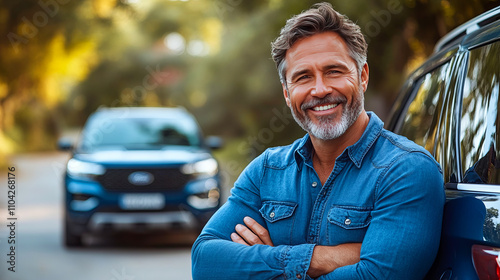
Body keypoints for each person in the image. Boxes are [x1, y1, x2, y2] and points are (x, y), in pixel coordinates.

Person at [191, 2, 445, 279]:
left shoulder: (406, 170)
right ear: (288, 94)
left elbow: (377, 276)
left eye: (334, 71)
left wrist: (260, 264)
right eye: (303, 77)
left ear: (362, 77)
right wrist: (321, 258)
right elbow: (205, 262)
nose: (320, 89)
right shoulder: (266, 172)